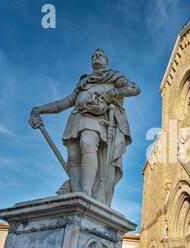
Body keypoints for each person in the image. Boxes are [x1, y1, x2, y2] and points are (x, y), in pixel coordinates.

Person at [29, 48, 140, 205]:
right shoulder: (84, 83)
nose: (96, 57)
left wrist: (112, 93)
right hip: (76, 120)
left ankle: (87, 193)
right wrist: (40, 109)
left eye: (100, 55)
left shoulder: (114, 76)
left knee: (87, 143)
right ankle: (77, 194)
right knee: (74, 157)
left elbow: (134, 89)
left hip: (98, 120)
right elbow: (64, 103)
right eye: (94, 55)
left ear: (106, 60)